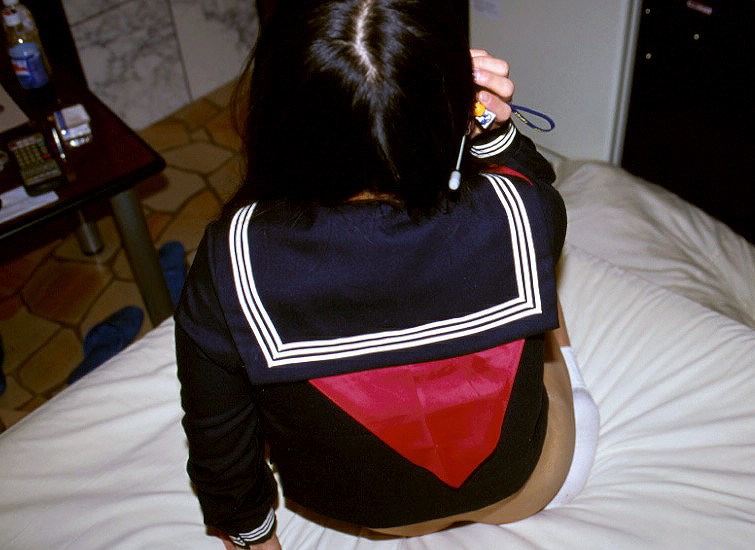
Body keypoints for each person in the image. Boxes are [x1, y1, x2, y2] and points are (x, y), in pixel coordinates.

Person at [175, 1, 598, 548]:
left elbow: (218, 434)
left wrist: (255, 537)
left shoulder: (229, 261)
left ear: (278, 115)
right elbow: (533, 180)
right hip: (529, 484)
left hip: (373, 513)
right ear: (449, 108)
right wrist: (494, 130)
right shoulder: (521, 211)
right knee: (538, 283)